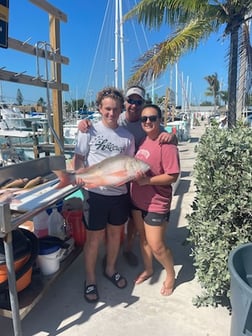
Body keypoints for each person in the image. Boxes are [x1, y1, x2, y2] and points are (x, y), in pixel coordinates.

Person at [78, 85, 178, 267]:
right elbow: (83, 150)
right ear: (126, 103)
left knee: (129, 226)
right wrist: (83, 124)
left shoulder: (147, 121)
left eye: (138, 101)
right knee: (103, 233)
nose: (134, 104)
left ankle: (125, 252)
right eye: (131, 100)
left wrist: (172, 138)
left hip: (128, 186)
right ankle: (106, 261)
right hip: (108, 187)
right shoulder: (115, 118)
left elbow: (165, 138)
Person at [73, 87, 135, 303]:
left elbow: (129, 166)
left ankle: (110, 269)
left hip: (119, 195)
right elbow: (79, 158)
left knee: (115, 235)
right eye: (107, 108)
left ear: (121, 110)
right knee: (93, 239)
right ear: (99, 108)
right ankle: (90, 279)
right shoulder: (88, 130)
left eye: (116, 109)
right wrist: (79, 175)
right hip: (95, 194)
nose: (112, 113)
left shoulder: (127, 137)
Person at [130, 104, 180, 296]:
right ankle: (149, 269)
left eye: (152, 118)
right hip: (137, 201)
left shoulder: (166, 144)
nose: (148, 121)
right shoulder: (143, 141)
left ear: (160, 120)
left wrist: (146, 181)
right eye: (144, 119)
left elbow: (173, 175)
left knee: (157, 245)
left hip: (156, 203)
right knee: (143, 239)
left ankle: (170, 273)